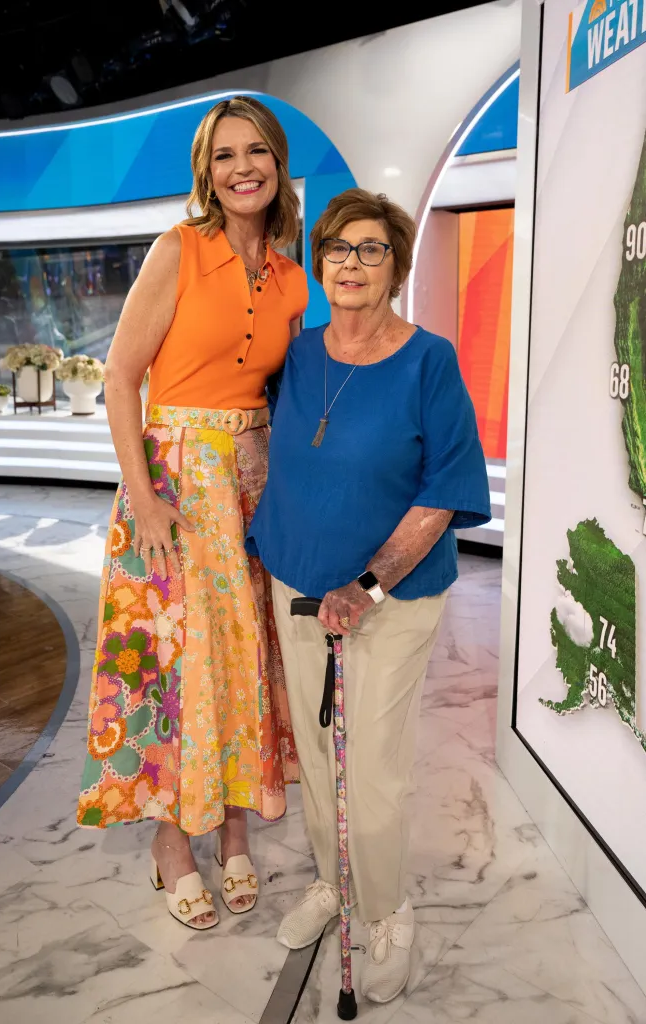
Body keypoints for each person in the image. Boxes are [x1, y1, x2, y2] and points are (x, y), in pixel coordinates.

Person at [247, 188, 491, 1002]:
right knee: (315, 757)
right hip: (295, 582)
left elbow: (444, 487)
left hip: (389, 598)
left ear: (395, 267)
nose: (350, 264)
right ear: (320, 264)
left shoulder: (429, 359)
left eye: (370, 250)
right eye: (338, 250)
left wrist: (367, 583)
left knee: (373, 768)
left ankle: (386, 911)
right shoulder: (301, 354)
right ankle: (332, 881)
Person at [77, 96, 306, 930]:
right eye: (223, 155)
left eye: (257, 152)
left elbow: (277, 392)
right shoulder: (179, 249)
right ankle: (173, 845)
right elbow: (119, 376)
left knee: (248, 659)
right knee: (180, 668)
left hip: (253, 481)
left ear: (277, 164)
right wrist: (143, 498)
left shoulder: (291, 275)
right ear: (205, 173)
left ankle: (234, 828)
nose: (242, 168)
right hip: (175, 482)